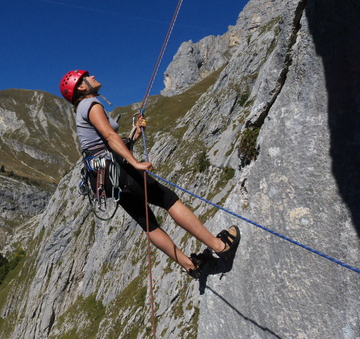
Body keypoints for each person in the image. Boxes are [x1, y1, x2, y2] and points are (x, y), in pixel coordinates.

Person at [59, 69, 240, 278]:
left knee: (148, 224)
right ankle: (220, 246)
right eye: (86, 77)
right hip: (119, 170)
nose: (92, 76)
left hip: (105, 178)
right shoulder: (91, 104)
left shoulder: (82, 109)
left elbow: (101, 144)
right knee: (169, 200)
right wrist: (135, 163)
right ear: (81, 87)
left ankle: (191, 266)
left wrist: (133, 135)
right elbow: (109, 136)